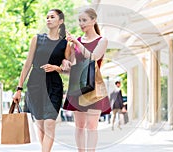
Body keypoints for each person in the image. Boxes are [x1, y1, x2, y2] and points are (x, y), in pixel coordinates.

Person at [13, 9, 70, 152]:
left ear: (60, 21)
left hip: (54, 85)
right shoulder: (37, 39)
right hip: (35, 84)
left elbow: (68, 70)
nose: (49, 19)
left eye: (52, 17)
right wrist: (19, 89)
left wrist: (56, 68)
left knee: (50, 123)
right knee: (40, 125)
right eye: (47, 17)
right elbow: (27, 64)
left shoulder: (65, 44)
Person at [63, 8, 111, 152]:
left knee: (91, 126)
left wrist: (77, 44)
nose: (81, 24)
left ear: (93, 20)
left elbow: (93, 57)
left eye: (84, 20)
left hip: (95, 87)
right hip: (78, 87)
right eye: (79, 21)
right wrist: (66, 63)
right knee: (79, 126)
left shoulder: (102, 40)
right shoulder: (76, 41)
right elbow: (72, 66)